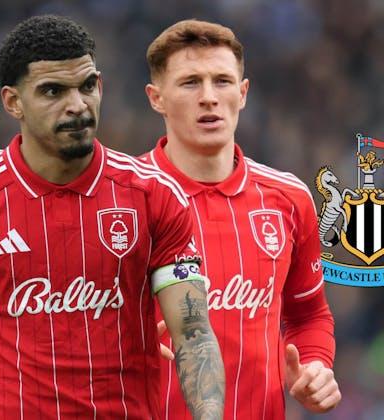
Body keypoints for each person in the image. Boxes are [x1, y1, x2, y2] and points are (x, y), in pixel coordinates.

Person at [0, 14, 224, 420]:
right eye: (53, 91)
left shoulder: (155, 196)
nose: (77, 105)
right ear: (12, 102)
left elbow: (193, 333)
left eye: (87, 86)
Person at [141, 19, 341, 419]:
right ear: (156, 98)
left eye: (222, 81)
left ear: (243, 93)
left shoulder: (289, 198)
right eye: (190, 83)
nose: (209, 98)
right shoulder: (123, 198)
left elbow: (309, 313)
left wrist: (315, 366)